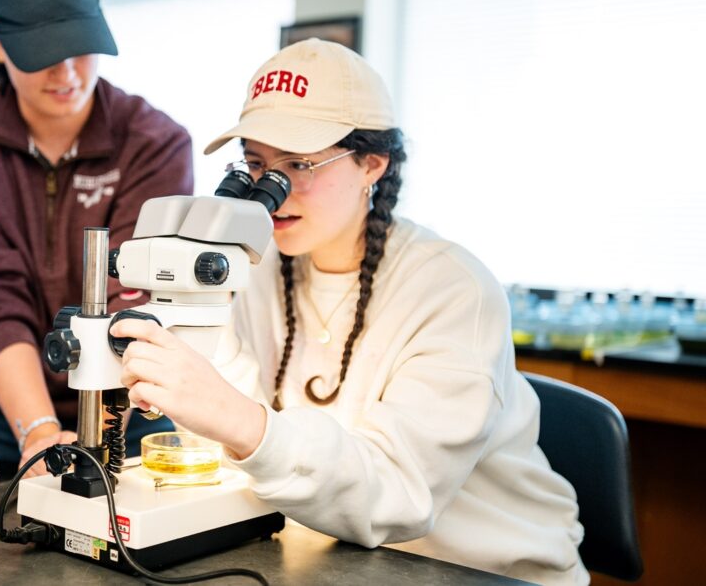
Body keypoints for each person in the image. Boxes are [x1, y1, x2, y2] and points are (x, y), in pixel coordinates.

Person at [111, 39, 588, 584]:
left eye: (299, 164)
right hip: (333, 562)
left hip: (480, 572)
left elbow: (398, 494)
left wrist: (240, 421)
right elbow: (229, 451)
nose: (275, 188)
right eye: (257, 165)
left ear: (372, 164)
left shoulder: (455, 292)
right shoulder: (254, 270)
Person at [0, 0, 193, 474]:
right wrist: (40, 433)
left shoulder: (155, 143)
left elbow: (130, 301)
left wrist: (96, 444)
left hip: (129, 408)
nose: (66, 74)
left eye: (79, 46)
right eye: (43, 55)